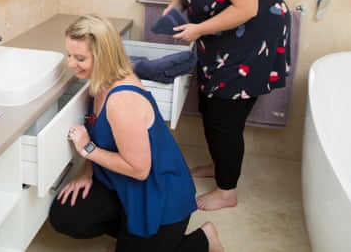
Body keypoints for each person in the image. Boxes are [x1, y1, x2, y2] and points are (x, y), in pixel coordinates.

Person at [161, 0, 292, 211]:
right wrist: (171, 10)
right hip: (216, 38)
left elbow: (246, 8)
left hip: (251, 39)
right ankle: (222, 168)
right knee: (209, 106)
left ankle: (226, 191)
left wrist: (197, 29)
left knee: (224, 117)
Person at [49, 14, 224, 252]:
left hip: (159, 195)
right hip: (121, 183)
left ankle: (204, 239)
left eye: (80, 58)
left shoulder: (122, 100)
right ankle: (131, 237)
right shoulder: (100, 82)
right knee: (66, 216)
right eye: (69, 55)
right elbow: (101, 136)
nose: (71, 64)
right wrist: (86, 173)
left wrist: (88, 150)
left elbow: (140, 170)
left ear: (103, 57)